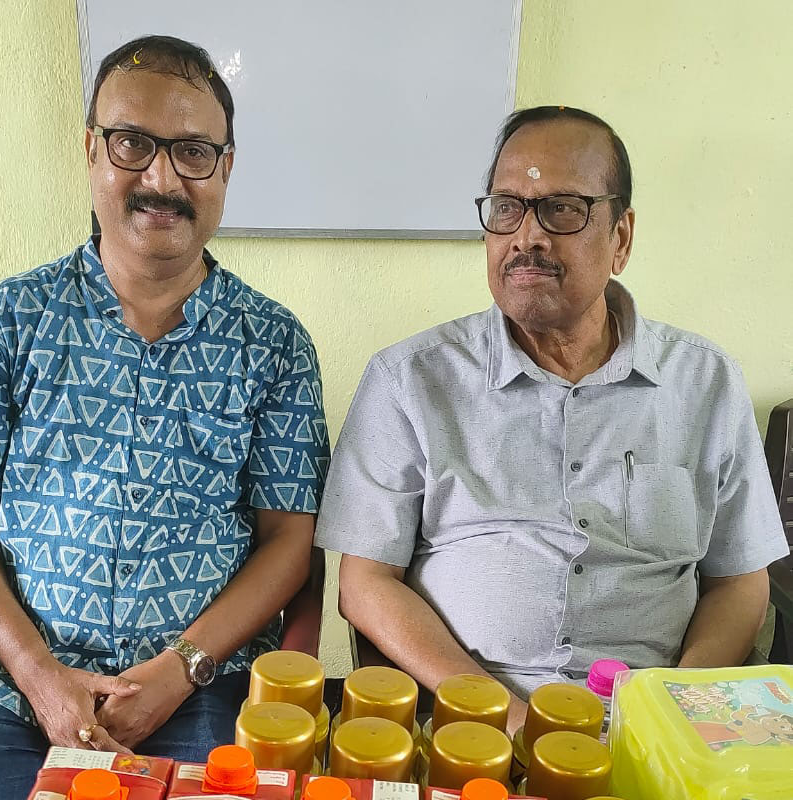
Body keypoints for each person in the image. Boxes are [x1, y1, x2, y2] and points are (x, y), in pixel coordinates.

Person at [0, 35, 328, 800]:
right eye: (132, 144)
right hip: (14, 680)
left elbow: (289, 544)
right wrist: (41, 677)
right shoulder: (5, 317)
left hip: (198, 682)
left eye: (194, 153)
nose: (162, 178)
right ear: (90, 149)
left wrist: (183, 669)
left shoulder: (274, 344)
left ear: (225, 169)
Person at [316, 105, 787, 733]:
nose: (526, 237)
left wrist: (668, 715)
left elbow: (740, 583)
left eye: (563, 210)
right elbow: (366, 582)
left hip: (660, 721)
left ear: (620, 239)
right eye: (507, 207)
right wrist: (503, 715)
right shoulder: (410, 379)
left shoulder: (705, 382)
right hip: (469, 720)